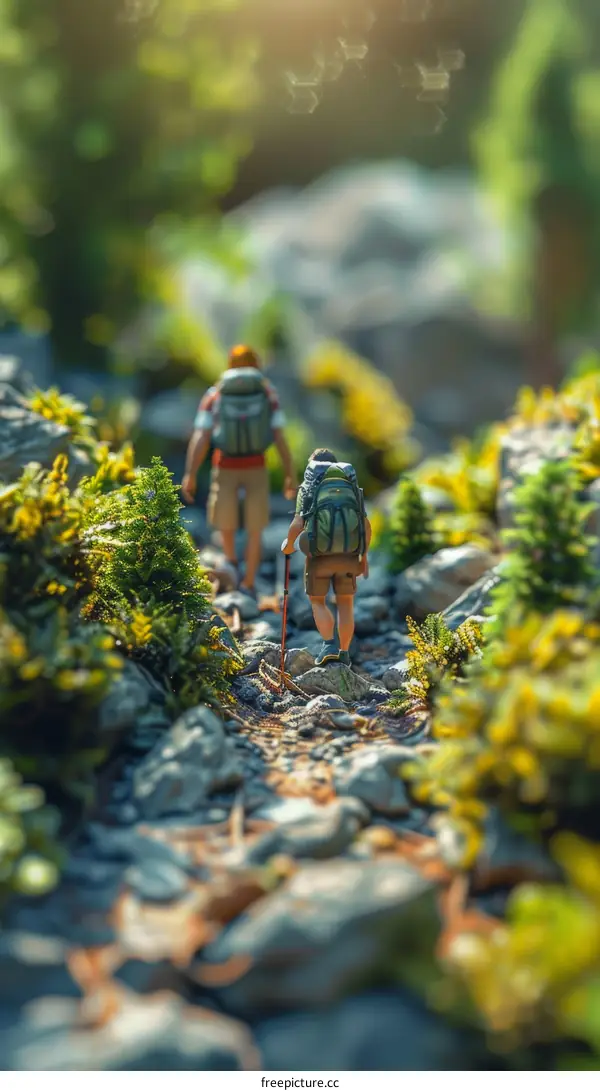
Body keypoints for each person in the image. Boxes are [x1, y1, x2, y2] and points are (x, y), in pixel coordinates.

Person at [181, 345, 297, 596]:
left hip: (225, 465)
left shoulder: (216, 393)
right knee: (256, 529)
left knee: (225, 520)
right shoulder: (267, 393)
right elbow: (279, 435)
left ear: (229, 365)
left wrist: (190, 472)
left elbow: (201, 435)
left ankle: (232, 562)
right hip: (256, 465)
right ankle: (249, 581)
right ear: (256, 365)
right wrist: (290, 473)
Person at [281, 448, 371, 666]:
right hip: (349, 555)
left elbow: (298, 523)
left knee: (318, 602)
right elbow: (365, 526)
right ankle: (345, 652)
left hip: (318, 558)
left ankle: (329, 644)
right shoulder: (350, 487)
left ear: (312, 465)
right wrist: (364, 556)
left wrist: (289, 545)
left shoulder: (310, 487)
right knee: (346, 604)